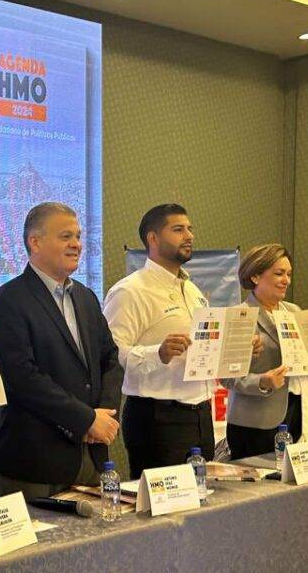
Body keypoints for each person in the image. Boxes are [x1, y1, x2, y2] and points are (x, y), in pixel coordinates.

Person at [104, 204, 261, 477]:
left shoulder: (192, 290)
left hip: (200, 414)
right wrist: (158, 353)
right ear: (153, 238)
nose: (189, 236)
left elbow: (203, 353)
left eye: (190, 229)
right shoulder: (130, 291)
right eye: (178, 229)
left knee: (202, 497)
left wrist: (239, 349)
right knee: (164, 502)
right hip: (157, 418)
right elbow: (111, 357)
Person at [0, 202, 123, 499]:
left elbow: (110, 359)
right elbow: (22, 378)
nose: (76, 245)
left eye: (78, 236)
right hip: (34, 465)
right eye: (65, 236)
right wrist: (86, 420)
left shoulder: (86, 297)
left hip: (91, 457)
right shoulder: (7, 301)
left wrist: (105, 416)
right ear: (35, 242)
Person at [222, 244, 308, 459]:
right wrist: (262, 382)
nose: (286, 280)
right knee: (262, 480)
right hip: (257, 421)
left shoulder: (295, 312)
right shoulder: (239, 316)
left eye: (289, 274)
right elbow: (227, 378)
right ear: (255, 276)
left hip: (299, 410)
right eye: (279, 273)